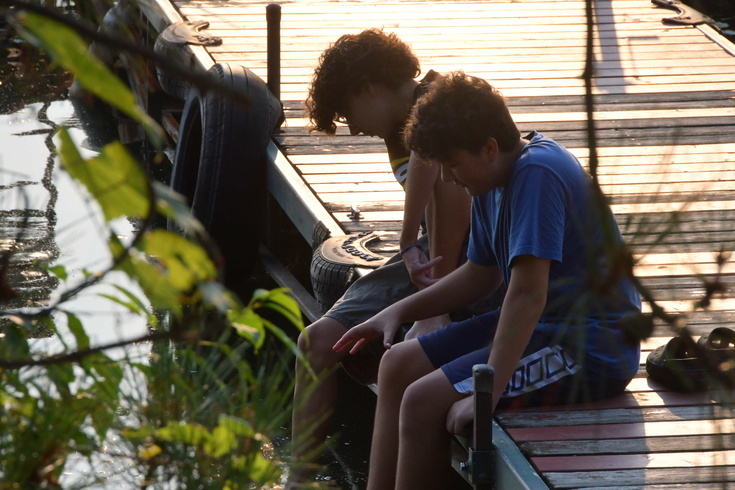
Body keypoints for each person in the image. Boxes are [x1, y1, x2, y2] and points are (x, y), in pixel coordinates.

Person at [334, 71, 642, 490]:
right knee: (395, 365)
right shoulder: (489, 181)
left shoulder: (538, 174)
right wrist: (395, 311)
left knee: (422, 402)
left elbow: (527, 294)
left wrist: (489, 391)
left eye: (452, 164)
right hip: (542, 328)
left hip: (588, 343)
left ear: (489, 148)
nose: (447, 179)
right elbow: (481, 274)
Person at [289, 30, 478, 485]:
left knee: (408, 364)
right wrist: (409, 244)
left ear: (368, 89)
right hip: (422, 254)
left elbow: (444, 187)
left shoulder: (440, 100)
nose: (353, 128)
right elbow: (421, 171)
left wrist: (437, 299)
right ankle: (299, 479)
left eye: (347, 113)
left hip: (468, 256)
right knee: (315, 344)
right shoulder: (397, 124)